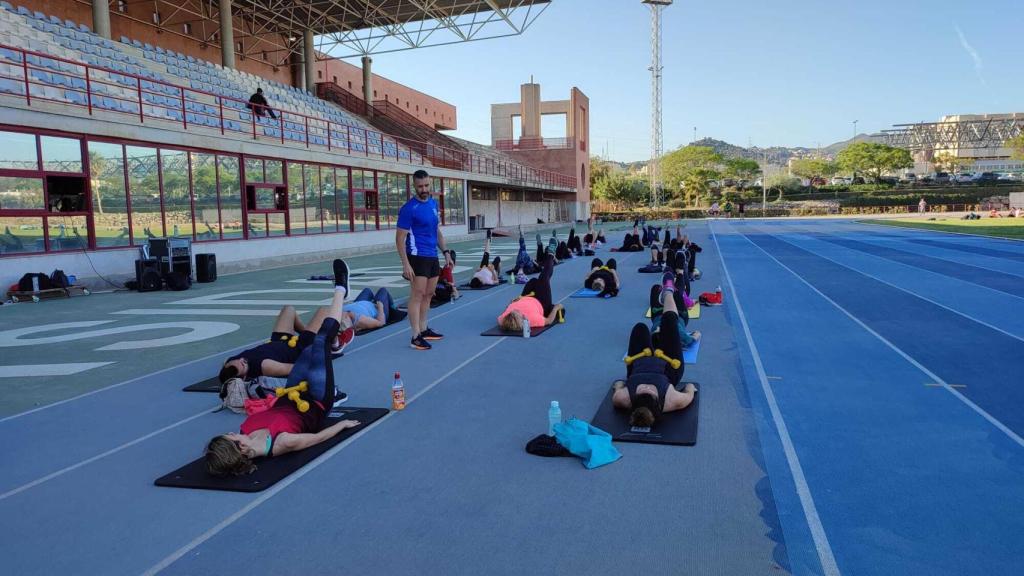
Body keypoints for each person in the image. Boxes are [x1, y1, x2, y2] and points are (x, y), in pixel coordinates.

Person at [206, 260, 360, 476]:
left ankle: (339, 301)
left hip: (292, 394)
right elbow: (317, 438)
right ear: (240, 447)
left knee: (313, 347)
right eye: (230, 436)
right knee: (320, 341)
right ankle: (340, 289)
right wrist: (341, 425)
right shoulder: (282, 443)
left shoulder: (245, 430)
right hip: (316, 399)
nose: (232, 432)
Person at [611, 272, 698, 428]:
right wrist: (690, 388)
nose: (646, 387)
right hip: (670, 366)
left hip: (640, 363)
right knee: (670, 321)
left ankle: (656, 337)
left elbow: (618, 384)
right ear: (659, 403)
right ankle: (668, 292)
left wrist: (619, 386)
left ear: (633, 401)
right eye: (650, 392)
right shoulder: (672, 401)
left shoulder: (622, 399)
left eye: (642, 391)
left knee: (640, 328)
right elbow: (689, 392)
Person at [218, 290, 354, 384]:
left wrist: (231, 364)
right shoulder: (265, 366)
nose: (242, 359)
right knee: (325, 311)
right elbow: (296, 368)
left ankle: (312, 330)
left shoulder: (230, 363)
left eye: (240, 360)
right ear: (245, 376)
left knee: (289, 309)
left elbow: (228, 364)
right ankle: (334, 344)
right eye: (243, 364)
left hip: (279, 341)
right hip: (300, 347)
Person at [396, 169, 453, 351]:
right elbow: (399, 239)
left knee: (429, 294)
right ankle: (415, 336)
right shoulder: (408, 209)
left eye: (427, 185)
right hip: (416, 256)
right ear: (414, 186)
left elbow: (436, 231)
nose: (424, 189)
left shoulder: (433, 204)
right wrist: (405, 264)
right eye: (420, 186)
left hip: (432, 256)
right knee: (417, 295)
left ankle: (424, 328)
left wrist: (445, 251)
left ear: (430, 184)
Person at [497, 254, 565, 333]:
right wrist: (556, 308)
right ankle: (550, 256)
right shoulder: (531, 319)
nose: (518, 311)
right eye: (518, 313)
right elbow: (549, 321)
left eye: (515, 311)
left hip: (525, 297)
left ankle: (542, 262)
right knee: (543, 278)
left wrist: (511, 303)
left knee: (533, 281)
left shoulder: (503, 319)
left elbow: (506, 310)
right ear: (521, 320)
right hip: (541, 302)